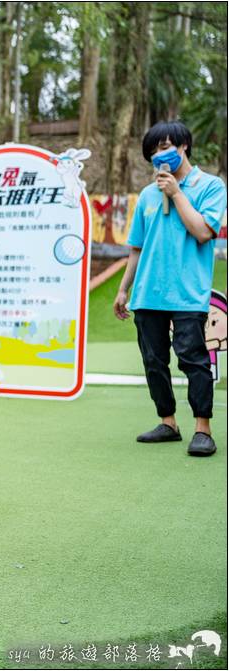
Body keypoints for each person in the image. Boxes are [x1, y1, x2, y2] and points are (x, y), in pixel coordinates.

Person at [113, 120, 227, 457]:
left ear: (183, 146)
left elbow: (203, 232)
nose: (160, 156)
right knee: (153, 361)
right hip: (148, 294)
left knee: (193, 360)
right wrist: (123, 290)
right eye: (153, 152)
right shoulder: (148, 196)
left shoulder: (210, 186)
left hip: (187, 293)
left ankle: (202, 429)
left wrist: (176, 193)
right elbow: (137, 247)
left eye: (165, 147)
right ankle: (168, 422)